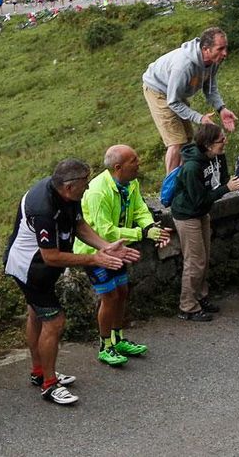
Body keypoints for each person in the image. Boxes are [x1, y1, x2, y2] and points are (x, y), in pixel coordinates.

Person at [4, 159, 140, 405]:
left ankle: (39, 372)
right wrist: (93, 258)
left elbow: (79, 225)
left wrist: (106, 247)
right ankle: (49, 384)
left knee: (36, 315)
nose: (88, 188)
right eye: (84, 184)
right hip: (29, 268)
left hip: (41, 266)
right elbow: (51, 256)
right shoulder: (43, 208)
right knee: (54, 321)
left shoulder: (66, 194)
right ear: (68, 187)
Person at [74, 145, 170, 365]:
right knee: (110, 297)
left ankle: (118, 339)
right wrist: (140, 233)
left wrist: (149, 228)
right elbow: (103, 230)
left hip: (118, 249)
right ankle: (105, 345)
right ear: (118, 167)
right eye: (134, 160)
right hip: (96, 251)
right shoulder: (98, 190)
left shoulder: (131, 182)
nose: (139, 163)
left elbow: (139, 210)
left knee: (123, 291)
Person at [172, 125, 239, 320]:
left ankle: (201, 297)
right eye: (220, 140)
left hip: (202, 213)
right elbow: (199, 199)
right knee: (194, 261)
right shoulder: (192, 167)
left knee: (204, 258)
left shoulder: (218, 156)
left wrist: (234, 182)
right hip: (187, 214)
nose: (225, 141)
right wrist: (227, 188)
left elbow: (222, 179)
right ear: (208, 145)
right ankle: (187, 307)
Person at [142, 27, 236, 173]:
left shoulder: (213, 62)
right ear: (206, 49)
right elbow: (173, 101)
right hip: (158, 90)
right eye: (220, 49)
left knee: (187, 139)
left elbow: (210, 88)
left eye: (226, 48)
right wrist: (200, 118)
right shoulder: (184, 66)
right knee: (176, 141)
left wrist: (221, 108)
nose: (225, 53)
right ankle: (170, 191)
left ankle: (183, 179)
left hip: (175, 91)